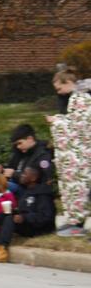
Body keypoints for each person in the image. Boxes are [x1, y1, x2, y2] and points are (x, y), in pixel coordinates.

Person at [0, 165, 56, 263]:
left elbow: (46, 217)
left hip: (38, 227)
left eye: (25, 174)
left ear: (34, 178)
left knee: (9, 219)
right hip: (26, 221)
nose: (22, 176)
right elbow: (23, 210)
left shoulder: (43, 194)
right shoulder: (27, 191)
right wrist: (14, 211)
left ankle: (2, 249)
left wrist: (24, 217)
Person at [47, 68, 90, 237]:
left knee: (79, 186)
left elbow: (79, 127)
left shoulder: (81, 98)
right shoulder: (75, 98)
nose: (59, 93)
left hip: (80, 154)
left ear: (68, 83)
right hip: (77, 153)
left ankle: (78, 223)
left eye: (59, 88)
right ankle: (75, 221)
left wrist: (56, 121)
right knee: (74, 187)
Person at [0, 124, 54, 194]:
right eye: (16, 144)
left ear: (30, 139)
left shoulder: (42, 154)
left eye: (20, 143)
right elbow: (11, 167)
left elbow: (40, 178)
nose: (18, 147)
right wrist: (2, 169)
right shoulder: (20, 152)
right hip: (16, 183)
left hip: (31, 190)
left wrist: (14, 174)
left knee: (0, 185)